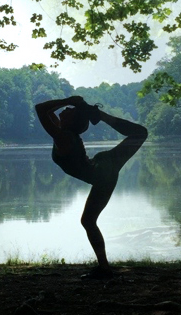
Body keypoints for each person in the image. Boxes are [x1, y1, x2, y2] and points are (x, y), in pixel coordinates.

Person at [35, 96, 147, 279]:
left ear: (73, 121)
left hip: (104, 173)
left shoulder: (64, 137)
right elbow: (45, 111)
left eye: (69, 111)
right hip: (102, 168)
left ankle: (104, 269)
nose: (64, 111)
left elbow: (41, 109)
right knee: (88, 221)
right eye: (67, 109)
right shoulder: (63, 133)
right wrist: (75, 104)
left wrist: (70, 100)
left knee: (141, 133)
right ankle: (104, 268)